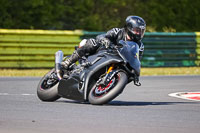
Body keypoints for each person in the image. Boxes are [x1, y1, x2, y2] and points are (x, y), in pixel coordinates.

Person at [62, 16, 146, 77]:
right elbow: (101, 36)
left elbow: (137, 59)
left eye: (141, 31)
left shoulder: (140, 46)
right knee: (93, 43)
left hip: (119, 62)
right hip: (103, 53)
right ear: (129, 28)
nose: (139, 33)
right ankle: (68, 62)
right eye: (137, 30)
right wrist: (105, 40)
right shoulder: (117, 32)